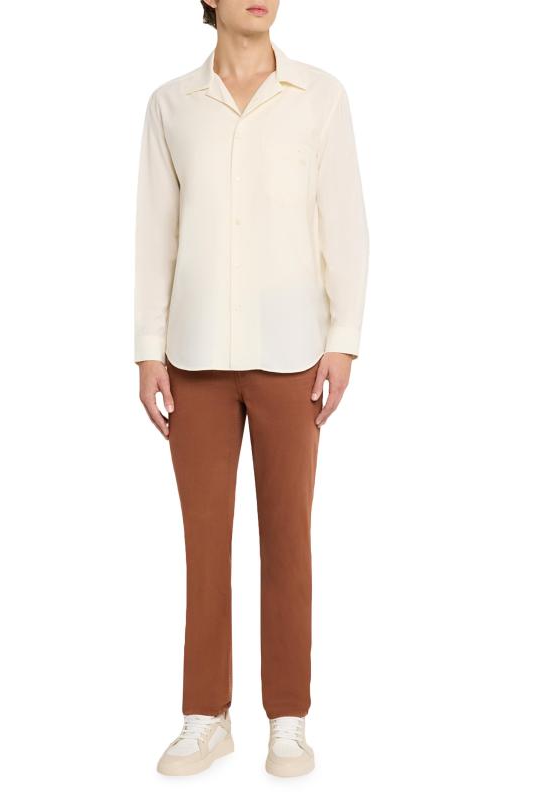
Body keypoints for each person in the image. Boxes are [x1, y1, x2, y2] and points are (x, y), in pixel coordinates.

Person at [134, 0, 369, 778]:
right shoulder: (171, 105)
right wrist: (147, 351)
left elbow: (344, 224)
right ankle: (205, 716)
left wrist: (341, 340)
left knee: (288, 541)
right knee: (203, 544)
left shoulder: (320, 97)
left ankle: (288, 719)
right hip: (194, 356)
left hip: (292, 353)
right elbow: (155, 232)